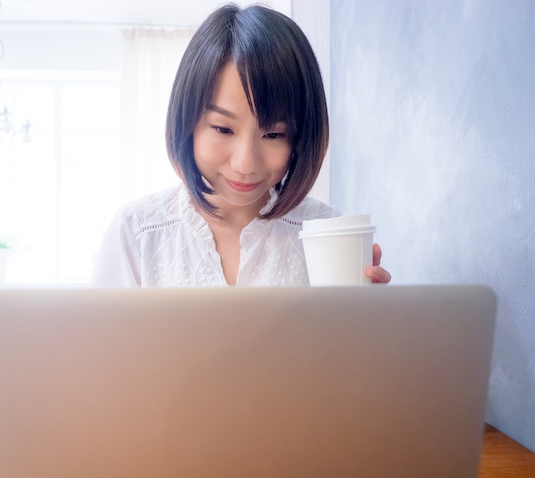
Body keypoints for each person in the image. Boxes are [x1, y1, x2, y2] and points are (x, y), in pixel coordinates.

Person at [91, 3, 391, 287]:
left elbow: (350, 341)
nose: (245, 164)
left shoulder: (327, 232)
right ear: (187, 123)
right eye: (223, 129)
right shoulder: (137, 233)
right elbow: (96, 341)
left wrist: (371, 320)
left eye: (273, 135)